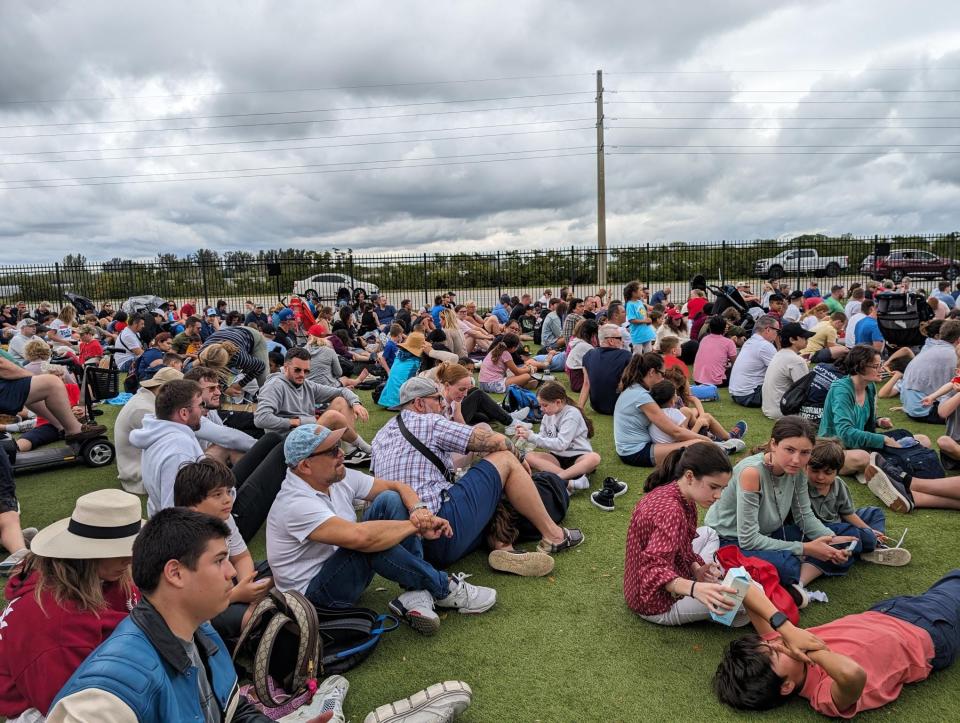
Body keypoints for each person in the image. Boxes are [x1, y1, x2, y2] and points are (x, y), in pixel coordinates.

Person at [48, 507, 335, 723]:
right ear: (175, 573)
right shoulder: (110, 695)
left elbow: (233, 712)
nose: (232, 572)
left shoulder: (202, 632)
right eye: (220, 561)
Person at [266, 423, 496, 635]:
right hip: (313, 601)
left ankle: (416, 593)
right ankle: (442, 587)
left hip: (337, 571)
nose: (341, 453)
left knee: (390, 499)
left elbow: (396, 486)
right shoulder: (295, 503)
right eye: (331, 451)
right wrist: (415, 526)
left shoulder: (330, 477)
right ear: (305, 465)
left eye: (338, 446)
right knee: (368, 545)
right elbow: (363, 538)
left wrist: (419, 511)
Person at [371, 377, 576, 577]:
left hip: (405, 542)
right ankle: (554, 536)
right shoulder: (428, 421)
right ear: (418, 403)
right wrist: (519, 456)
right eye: (438, 399)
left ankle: (503, 546)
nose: (443, 405)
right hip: (441, 528)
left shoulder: (380, 435)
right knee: (504, 459)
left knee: (482, 484)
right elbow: (496, 442)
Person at [713, 569, 960, 717]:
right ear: (786, 686)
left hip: (885, 612)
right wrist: (808, 651)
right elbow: (852, 674)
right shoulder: (823, 696)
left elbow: (744, 587)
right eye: (777, 652)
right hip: (927, 632)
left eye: (770, 643)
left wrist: (785, 627)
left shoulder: (778, 641)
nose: (778, 643)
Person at [0, 489, 142, 722]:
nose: (130, 559)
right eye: (120, 550)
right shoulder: (53, 624)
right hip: (44, 708)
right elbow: (66, 708)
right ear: (87, 554)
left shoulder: (104, 575)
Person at [705, 416, 856, 607]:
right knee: (788, 566)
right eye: (790, 450)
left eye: (805, 453)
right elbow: (748, 539)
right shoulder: (752, 473)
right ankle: (797, 574)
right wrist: (806, 549)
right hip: (730, 539)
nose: (796, 460)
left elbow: (804, 516)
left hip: (770, 533)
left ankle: (795, 583)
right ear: (773, 444)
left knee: (848, 540)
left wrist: (830, 540)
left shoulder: (799, 470)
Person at [623, 442, 751, 626]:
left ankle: (703, 581)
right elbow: (652, 570)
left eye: (722, 488)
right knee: (746, 596)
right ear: (690, 476)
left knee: (709, 533)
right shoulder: (672, 511)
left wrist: (697, 570)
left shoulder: (681, 494)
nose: (718, 495)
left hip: (641, 586)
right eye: (714, 487)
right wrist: (695, 588)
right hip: (654, 603)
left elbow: (681, 544)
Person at [173, 459, 271, 642]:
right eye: (217, 494)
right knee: (255, 619)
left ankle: (254, 609)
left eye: (228, 491)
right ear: (192, 505)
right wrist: (237, 595)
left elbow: (241, 557)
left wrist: (246, 584)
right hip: (201, 605)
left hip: (227, 581)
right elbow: (191, 600)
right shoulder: (183, 539)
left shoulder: (223, 518)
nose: (227, 499)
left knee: (277, 569)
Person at [255, 347, 372, 464]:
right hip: (287, 443)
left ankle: (350, 451)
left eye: (306, 371)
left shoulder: (307, 385)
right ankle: (368, 449)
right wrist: (295, 422)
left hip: (307, 431)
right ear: (285, 367)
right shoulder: (275, 385)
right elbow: (260, 419)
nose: (302, 375)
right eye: (297, 370)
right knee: (332, 416)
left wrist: (356, 403)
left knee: (341, 401)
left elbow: (341, 391)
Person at [805, 438, 909, 566]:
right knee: (862, 536)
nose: (820, 477)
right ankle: (868, 545)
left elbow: (848, 513)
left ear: (837, 472)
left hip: (841, 523)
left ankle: (872, 546)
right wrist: (866, 532)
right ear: (806, 467)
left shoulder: (839, 485)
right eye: (815, 471)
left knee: (875, 513)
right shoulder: (802, 487)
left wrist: (868, 529)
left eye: (828, 473)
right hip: (823, 531)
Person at [614, 353, 711, 467]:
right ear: (651, 372)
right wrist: (707, 441)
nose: (663, 378)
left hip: (631, 449)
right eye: (662, 374)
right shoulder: (642, 396)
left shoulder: (634, 388)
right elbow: (675, 432)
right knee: (698, 444)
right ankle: (722, 445)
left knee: (696, 441)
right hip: (636, 452)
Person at [515, 381, 602, 495]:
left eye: (544, 405)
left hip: (578, 457)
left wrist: (532, 437)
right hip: (557, 458)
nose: (541, 409)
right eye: (540, 405)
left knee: (594, 458)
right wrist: (527, 434)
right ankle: (572, 482)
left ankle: (558, 479)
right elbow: (542, 439)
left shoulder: (571, 414)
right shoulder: (547, 416)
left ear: (558, 402)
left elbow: (562, 444)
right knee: (529, 456)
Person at [114, 367, 185, 495]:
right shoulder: (143, 409)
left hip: (143, 469)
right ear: (165, 389)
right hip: (139, 477)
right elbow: (170, 443)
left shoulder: (146, 400)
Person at [900, 318, 960, 423]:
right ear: (958, 340)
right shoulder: (952, 354)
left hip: (914, 406)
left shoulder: (930, 349)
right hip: (926, 410)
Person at [435, 361, 519, 428]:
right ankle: (510, 420)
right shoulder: (437, 404)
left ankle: (505, 412)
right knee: (478, 395)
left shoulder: (454, 400)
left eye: (466, 389)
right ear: (446, 385)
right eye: (462, 389)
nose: (465, 394)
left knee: (483, 417)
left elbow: (462, 427)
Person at [762, 322, 815, 420]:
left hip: (769, 408)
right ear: (792, 340)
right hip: (782, 411)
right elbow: (806, 390)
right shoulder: (796, 360)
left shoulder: (780, 354)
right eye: (804, 337)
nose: (807, 340)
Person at [729, 315, 780, 407]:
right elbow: (780, 370)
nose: (777, 334)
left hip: (737, 394)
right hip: (750, 395)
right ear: (768, 330)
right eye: (777, 331)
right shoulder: (765, 345)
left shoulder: (750, 341)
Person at [580, 323, 632, 414]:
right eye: (620, 338)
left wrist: (579, 408)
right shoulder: (626, 355)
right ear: (611, 341)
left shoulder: (588, 355)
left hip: (597, 407)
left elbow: (586, 383)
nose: (622, 341)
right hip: (618, 407)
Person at [693, 316, 739, 387]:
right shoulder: (729, 342)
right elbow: (735, 363)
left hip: (698, 380)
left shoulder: (704, 339)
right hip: (717, 382)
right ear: (724, 328)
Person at [625, 281, 656, 354]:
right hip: (637, 335)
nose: (642, 292)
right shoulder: (630, 305)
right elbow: (631, 320)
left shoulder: (639, 302)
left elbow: (643, 314)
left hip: (645, 332)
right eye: (641, 290)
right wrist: (645, 321)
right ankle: (636, 365)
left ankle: (648, 365)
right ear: (633, 292)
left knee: (649, 353)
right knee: (637, 354)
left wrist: (648, 319)